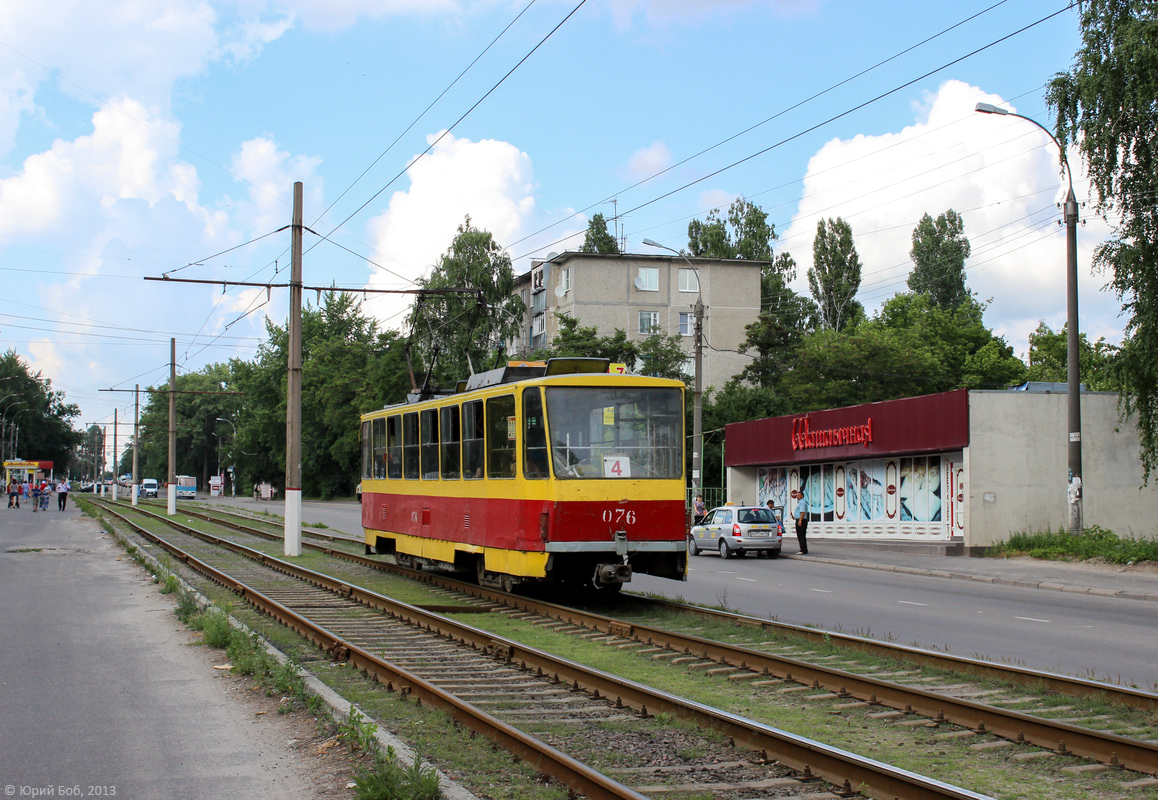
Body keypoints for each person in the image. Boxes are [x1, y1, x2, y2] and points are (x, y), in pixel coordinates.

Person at [789, 488, 809, 555]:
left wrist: (800, 521)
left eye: (798, 495)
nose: (797, 496)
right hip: (799, 519)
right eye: (797, 495)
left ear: (802, 496)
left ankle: (803, 549)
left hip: (802, 520)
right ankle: (803, 549)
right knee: (800, 535)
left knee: (801, 535)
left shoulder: (802, 502)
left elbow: (802, 512)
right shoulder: (800, 502)